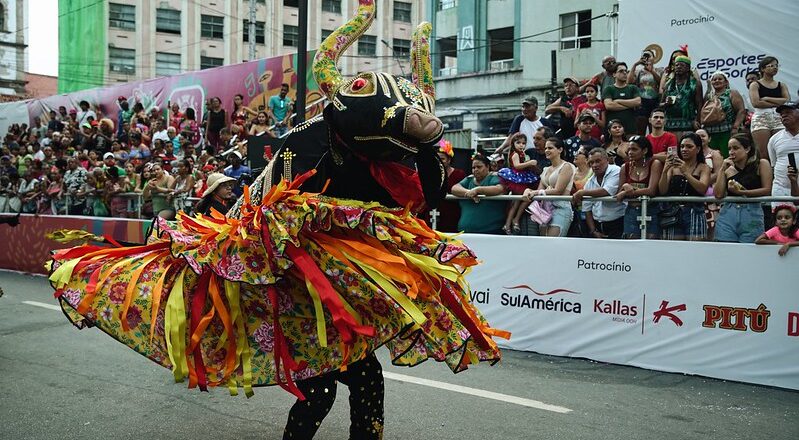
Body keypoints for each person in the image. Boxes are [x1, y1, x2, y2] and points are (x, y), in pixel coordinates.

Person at [713, 134, 772, 243]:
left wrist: (741, 192)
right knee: (724, 248)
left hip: (752, 212)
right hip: (728, 212)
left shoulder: (761, 164)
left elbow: (767, 190)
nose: (731, 152)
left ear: (747, 149)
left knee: (749, 251)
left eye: (735, 148)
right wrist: (721, 170)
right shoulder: (728, 169)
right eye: (729, 149)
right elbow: (718, 195)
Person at [658, 132, 712, 241]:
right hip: (673, 212)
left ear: (697, 149)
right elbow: (662, 190)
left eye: (689, 146)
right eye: (682, 146)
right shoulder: (673, 168)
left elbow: (702, 189)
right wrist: (665, 171)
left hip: (695, 212)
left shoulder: (703, 167)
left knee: (695, 249)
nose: (684, 149)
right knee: (673, 248)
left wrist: (686, 173)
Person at [522, 137, 575, 236]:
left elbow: (558, 190)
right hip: (545, 211)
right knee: (544, 244)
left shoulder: (566, 166)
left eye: (550, 148)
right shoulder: (546, 169)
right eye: (546, 148)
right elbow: (539, 191)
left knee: (553, 244)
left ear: (560, 150)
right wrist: (528, 190)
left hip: (561, 209)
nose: (546, 150)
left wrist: (538, 192)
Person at [616, 135, 663, 239]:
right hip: (631, 211)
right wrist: (624, 186)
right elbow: (618, 194)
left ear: (645, 150)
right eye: (628, 149)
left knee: (652, 243)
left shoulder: (654, 164)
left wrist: (628, 191)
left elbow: (651, 191)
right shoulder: (625, 167)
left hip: (651, 209)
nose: (630, 152)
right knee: (631, 245)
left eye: (634, 149)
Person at [573, 148, 625, 239]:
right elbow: (587, 209)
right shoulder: (590, 181)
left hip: (618, 222)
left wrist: (582, 192)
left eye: (598, 161)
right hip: (598, 224)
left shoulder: (616, 170)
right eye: (591, 163)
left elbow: (607, 191)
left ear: (607, 160)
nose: (594, 165)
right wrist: (593, 230)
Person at [450, 152, 508, 234]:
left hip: (490, 231)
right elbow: (454, 188)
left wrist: (478, 190)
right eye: (473, 167)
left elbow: (500, 189)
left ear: (488, 167)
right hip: (464, 232)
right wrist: (469, 192)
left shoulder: (494, 177)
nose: (475, 170)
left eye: (479, 167)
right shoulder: (469, 179)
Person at [749, 56, 791, 161]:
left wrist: (767, 98)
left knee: (781, 149)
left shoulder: (781, 85)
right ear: (762, 69)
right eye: (771, 65)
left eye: (776, 66)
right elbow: (756, 103)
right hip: (761, 119)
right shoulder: (755, 84)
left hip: (778, 118)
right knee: (764, 153)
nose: (775, 68)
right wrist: (778, 102)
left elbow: (787, 101)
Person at [497, 133, 540, 234]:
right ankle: (515, 220)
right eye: (518, 143)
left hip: (521, 178)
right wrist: (529, 163)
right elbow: (517, 166)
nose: (521, 145)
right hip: (517, 179)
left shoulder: (522, 153)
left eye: (523, 143)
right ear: (513, 143)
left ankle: (508, 224)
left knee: (516, 202)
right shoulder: (515, 154)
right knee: (528, 196)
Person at [702, 71, 746, 157]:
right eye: (714, 79)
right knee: (711, 157)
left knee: (728, 156)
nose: (717, 81)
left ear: (726, 82)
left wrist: (735, 127)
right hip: (710, 134)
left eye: (720, 79)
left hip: (727, 132)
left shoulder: (732, 93)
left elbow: (741, 111)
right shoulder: (708, 96)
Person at [661, 55, 703, 137]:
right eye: (676, 65)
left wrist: (697, 121)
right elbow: (660, 105)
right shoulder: (668, 84)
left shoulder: (695, 83)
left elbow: (699, 105)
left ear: (688, 68)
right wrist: (665, 103)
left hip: (688, 125)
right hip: (670, 126)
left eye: (682, 65)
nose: (678, 67)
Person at [767, 101, 799, 208]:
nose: (784, 115)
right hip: (781, 189)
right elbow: (773, 165)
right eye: (781, 114)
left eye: (788, 112)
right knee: (781, 222)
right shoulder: (774, 139)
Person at [432, 139, 467, 233]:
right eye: (437, 159)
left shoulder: (459, 174)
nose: (439, 161)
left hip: (453, 214)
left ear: (449, 160)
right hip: (432, 214)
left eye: (442, 159)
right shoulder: (431, 174)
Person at [628, 49, 662, 135]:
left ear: (654, 58)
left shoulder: (659, 70)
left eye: (649, 56)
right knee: (640, 130)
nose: (646, 58)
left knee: (654, 130)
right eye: (644, 56)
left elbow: (661, 83)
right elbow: (629, 81)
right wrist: (635, 64)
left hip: (654, 102)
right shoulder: (638, 71)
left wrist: (651, 71)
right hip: (642, 102)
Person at [603, 62, 641, 136]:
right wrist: (630, 105)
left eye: (625, 71)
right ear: (614, 74)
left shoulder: (633, 88)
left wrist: (618, 101)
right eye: (621, 71)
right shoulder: (608, 89)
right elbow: (609, 106)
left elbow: (638, 101)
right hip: (613, 130)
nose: (624, 73)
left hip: (630, 129)